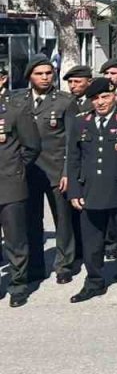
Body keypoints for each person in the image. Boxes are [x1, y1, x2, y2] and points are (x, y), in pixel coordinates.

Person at [66, 78, 117, 302]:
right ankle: (94, 282)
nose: (100, 102)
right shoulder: (81, 123)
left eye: (105, 97)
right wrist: (74, 192)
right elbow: (73, 160)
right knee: (92, 242)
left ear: (114, 96)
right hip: (90, 191)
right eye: (95, 98)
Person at [17, 56, 81, 284]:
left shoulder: (65, 102)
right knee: (31, 220)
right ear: (29, 76)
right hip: (27, 172)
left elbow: (72, 142)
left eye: (48, 73)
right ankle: (35, 266)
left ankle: (64, 263)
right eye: (39, 73)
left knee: (63, 219)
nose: (45, 77)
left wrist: (67, 171)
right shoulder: (18, 101)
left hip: (56, 170)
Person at [0, 86, 41, 307]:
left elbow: (32, 146)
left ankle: (18, 285)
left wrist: (17, 170)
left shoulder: (15, 111)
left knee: (15, 240)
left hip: (9, 186)